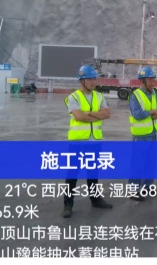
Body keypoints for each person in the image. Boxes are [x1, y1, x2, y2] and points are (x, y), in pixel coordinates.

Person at [62, 65, 113, 218]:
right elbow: (79, 116)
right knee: (72, 174)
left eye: (94, 79)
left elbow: (107, 114)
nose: (92, 81)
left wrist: (89, 113)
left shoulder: (99, 96)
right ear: (81, 80)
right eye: (89, 79)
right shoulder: (74, 97)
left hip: (94, 141)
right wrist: (97, 115)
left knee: (93, 173)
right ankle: (68, 204)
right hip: (77, 142)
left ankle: (95, 199)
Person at [128, 66, 157, 202]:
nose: (153, 82)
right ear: (142, 81)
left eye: (153, 79)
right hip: (140, 136)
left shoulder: (154, 93)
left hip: (152, 134)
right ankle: (133, 190)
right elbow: (137, 114)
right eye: (150, 80)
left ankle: (147, 186)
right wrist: (152, 112)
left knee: (151, 161)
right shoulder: (135, 96)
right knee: (138, 163)